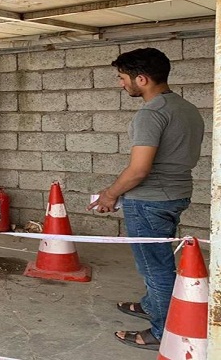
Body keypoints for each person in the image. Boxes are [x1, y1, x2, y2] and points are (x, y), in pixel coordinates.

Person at [87, 48, 204, 351]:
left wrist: (110, 195)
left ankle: (164, 332)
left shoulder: (151, 113)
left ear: (142, 78)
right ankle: (153, 305)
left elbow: (139, 170)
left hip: (150, 200)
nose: (121, 83)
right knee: (158, 261)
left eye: (122, 78)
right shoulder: (186, 108)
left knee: (155, 268)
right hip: (176, 194)